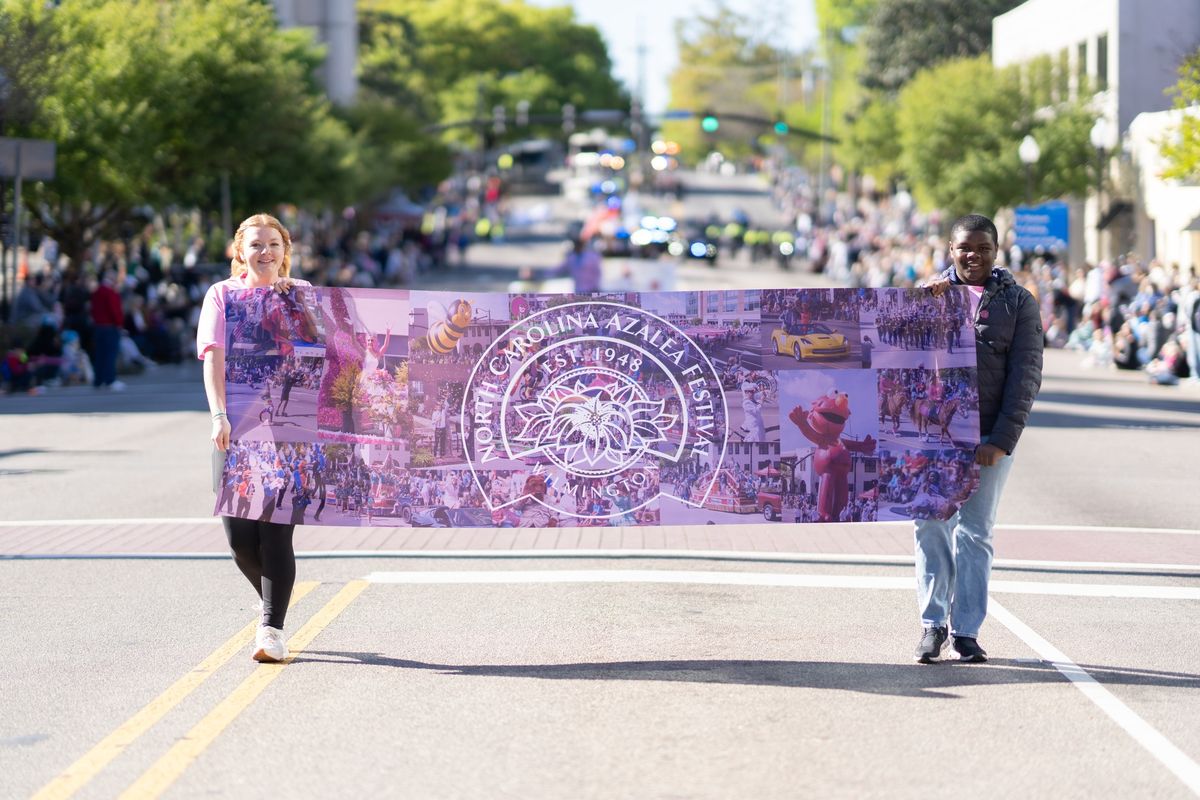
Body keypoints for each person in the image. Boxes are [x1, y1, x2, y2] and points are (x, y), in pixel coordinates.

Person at [916, 214, 1043, 664]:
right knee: (931, 527)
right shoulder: (926, 297)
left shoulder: (1018, 304)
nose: (974, 256)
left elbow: (1025, 377)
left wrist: (1002, 440)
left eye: (983, 248)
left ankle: (966, 630)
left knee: (975, 533)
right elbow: (893, 357)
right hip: (934, 436)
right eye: (964, 248)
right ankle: (932, 625)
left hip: (988, 434)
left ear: (996, 251)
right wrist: (920, 304)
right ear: (950, 250)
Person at [198, 213, 313, 664]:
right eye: (255, 246)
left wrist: (297, 309)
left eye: (273, 245)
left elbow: (330, 353)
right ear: (239, 253)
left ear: (285, 250)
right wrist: (219, 415)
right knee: (239, 540)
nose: (265, 253)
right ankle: (274, 597)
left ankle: (272, 628)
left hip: (287, 436)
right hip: (236, 430)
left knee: (274, 536)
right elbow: (212, 357)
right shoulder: (222, 295)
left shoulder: (302, 295)